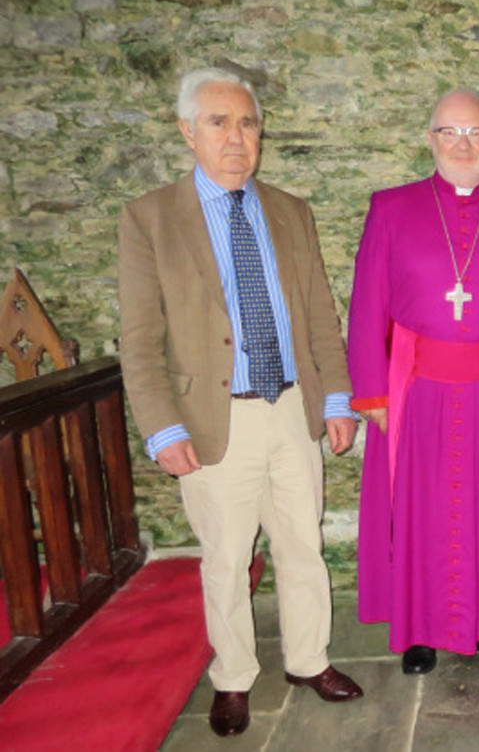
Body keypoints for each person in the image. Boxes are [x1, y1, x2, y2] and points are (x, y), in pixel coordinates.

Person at [118, 67, 363, 738]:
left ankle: (309, 660)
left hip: (291, 408)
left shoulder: (290, 210)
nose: (236, 137)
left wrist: (336, 399)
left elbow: (319, 315)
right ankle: (232, 677)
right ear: (187, 132)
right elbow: (139, 341)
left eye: (247, 123)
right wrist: (162, 429)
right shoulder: (150, 220)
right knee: (226, 557)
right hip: (210, 418)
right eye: (220, 123)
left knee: (302, 546)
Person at [347, 89, 479, 676]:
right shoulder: (391, 208)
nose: (464, 144)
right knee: (420, 512)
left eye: (476, 133)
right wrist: (372, 393)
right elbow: (367, 308)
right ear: (430, 139)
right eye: (450, 133)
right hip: (416, 387)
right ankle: (420, 632)